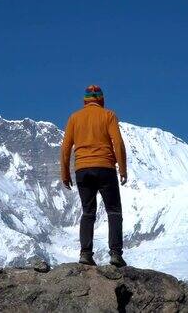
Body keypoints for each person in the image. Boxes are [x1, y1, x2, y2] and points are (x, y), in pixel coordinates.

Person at [60, 85, 127, 267]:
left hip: (82, 169)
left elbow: (66, 148)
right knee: (113, 211)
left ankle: (85, 254)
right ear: (101, 100)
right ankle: (115, 254)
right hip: (105, 167)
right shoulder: (108, 115)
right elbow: (118, 142)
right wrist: (122, 168)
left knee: (88, 212)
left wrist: (65, 173)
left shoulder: (74, 118)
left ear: (85, 101)